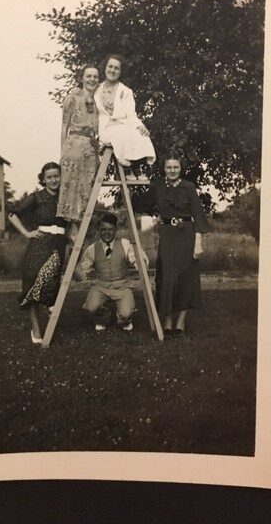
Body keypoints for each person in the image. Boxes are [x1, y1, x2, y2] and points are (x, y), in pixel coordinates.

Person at [132, 154, 208, 337]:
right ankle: (167, 322)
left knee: (185, 279)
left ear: (180, 168)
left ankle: (180, 324)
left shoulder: (189, 187)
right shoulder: (158, 186)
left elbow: (198, 216)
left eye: (176, 167)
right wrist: (131, 181)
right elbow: (141, 202)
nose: (172, 171)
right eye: (169, 167)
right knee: (168, 279)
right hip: (168, 236)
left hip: (187, 236)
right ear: (164, 169)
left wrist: (198, 244)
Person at [8, 162, 67, 344]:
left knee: (50, 280)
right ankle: (35, 328)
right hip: (39, 244)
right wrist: (27, 233)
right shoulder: (36, 197)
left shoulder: (66, 198)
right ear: (43, 179)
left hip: (58, 244)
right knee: (32, 281)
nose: (53, 180)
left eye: (56, 176)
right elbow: (12, 214)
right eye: (49, 177)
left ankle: (51, 307)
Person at [77, 212, 148, 332]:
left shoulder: (125, 244)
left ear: (116, 229)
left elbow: (139, 261)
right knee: (91, 307)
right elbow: (82, 270)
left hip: (122, 286)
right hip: (102, 286)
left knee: (126, 313)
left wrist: (139, 263)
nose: (107, 233)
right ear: (98, 230)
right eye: (103, 229)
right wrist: (76, 261)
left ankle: (123, 319)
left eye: (110, 229)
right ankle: (102, 318)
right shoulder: (92, 249)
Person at [93, 54, 155, 181]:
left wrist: (139, 125)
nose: (112, 70)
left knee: (137, 132)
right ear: (105, 68)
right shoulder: (96, 89)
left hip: (122, 125)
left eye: (116, 68)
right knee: (122, 133)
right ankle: (129, 169)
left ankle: (135, 167)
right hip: (105, 128)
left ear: (120, 72)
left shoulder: (126, 91)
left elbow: (131, 113)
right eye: (110, 66)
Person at [57, 65, 100, 238]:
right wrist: (62, 151)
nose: (92, 80)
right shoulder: (72, 97)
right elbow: (64, 126)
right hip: (73, 145)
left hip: (90, 147)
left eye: (95, 77)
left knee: (87, 187)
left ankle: (81, 229)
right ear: (82, 78)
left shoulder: (99, 101)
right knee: (70, 185)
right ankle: (71, 229)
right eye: (89, 76)